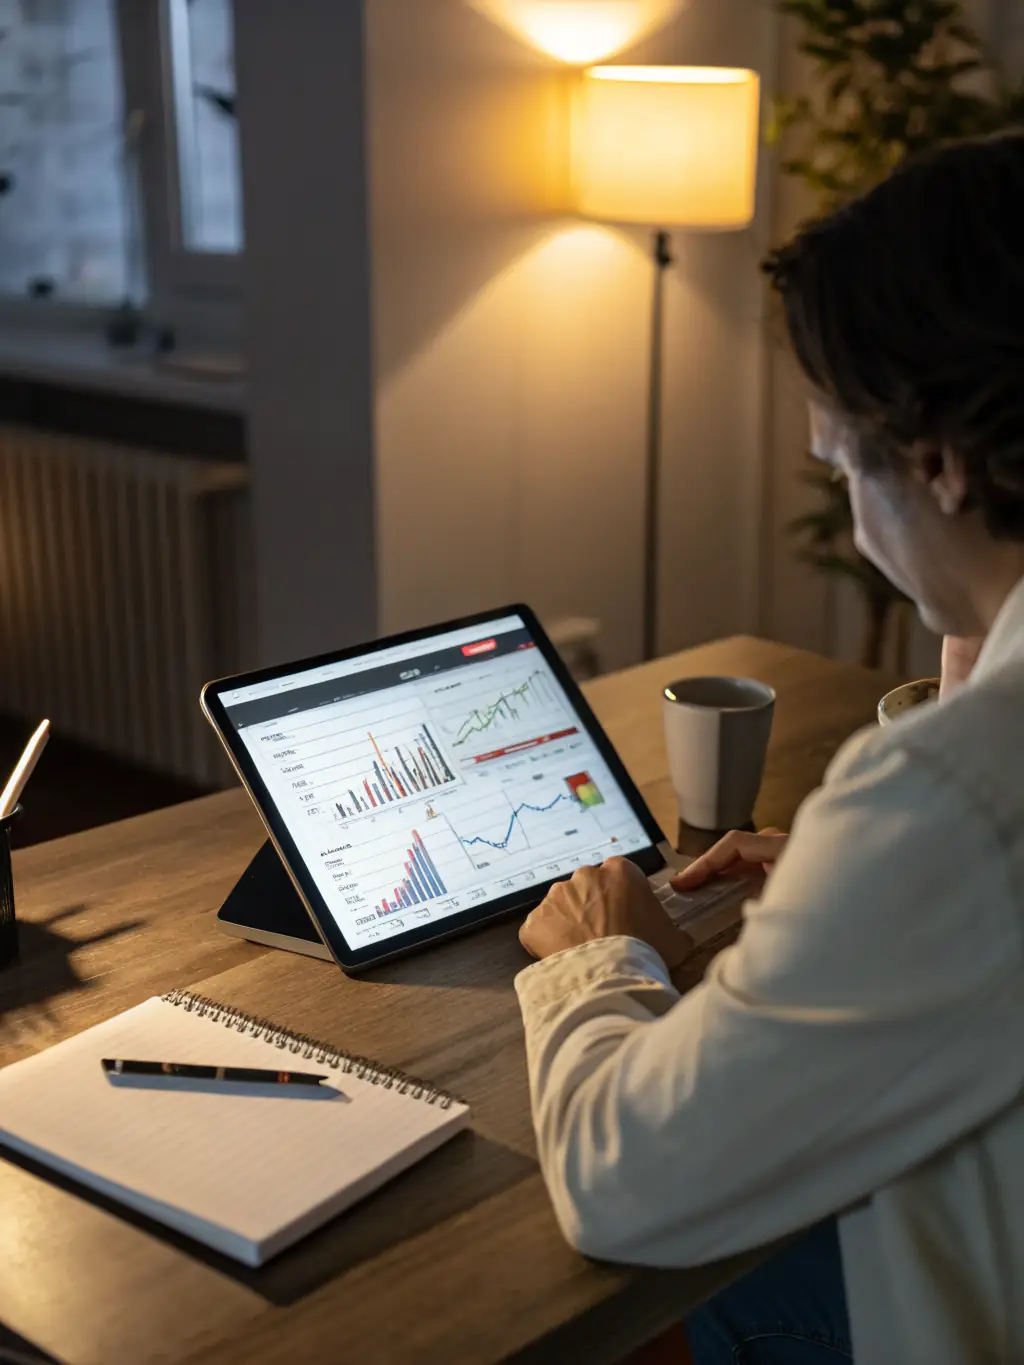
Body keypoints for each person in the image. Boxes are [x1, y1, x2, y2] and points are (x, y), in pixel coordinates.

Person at [514, 130, 1024, 1365]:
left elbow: (618, 1179)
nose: (847, 512)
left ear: (941, 461)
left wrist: (609, 957)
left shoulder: (959, 799)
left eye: (840, 457)